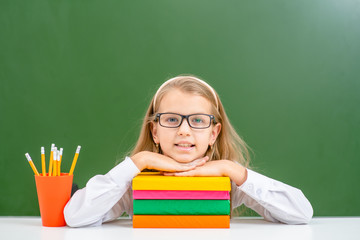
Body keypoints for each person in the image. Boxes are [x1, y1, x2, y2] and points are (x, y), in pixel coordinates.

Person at [64, 75, 313, 227]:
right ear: (154, 132)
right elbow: (76, 216)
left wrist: (232, 169)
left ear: (213, 133)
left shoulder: (227, 182)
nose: (184, 130)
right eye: (171, 120)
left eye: (198, 120)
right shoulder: (134, 184)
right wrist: (138, 161)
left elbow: (301, 213)